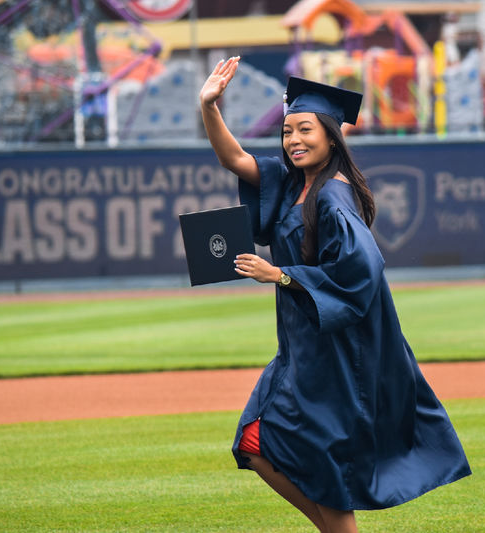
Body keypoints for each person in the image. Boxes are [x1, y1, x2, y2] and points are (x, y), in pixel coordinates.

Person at [199, 56, 471, 533]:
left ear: (330, 135)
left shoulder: (334, 198)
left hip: (336, 354)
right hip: (302, 348)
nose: (294, 140)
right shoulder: (292, 184)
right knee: (255, 445)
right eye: (287, 132)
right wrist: (210, 107)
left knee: (313, 464)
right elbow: (234, 159)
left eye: (305, 130)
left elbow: (360, 274)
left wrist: (280, 275)